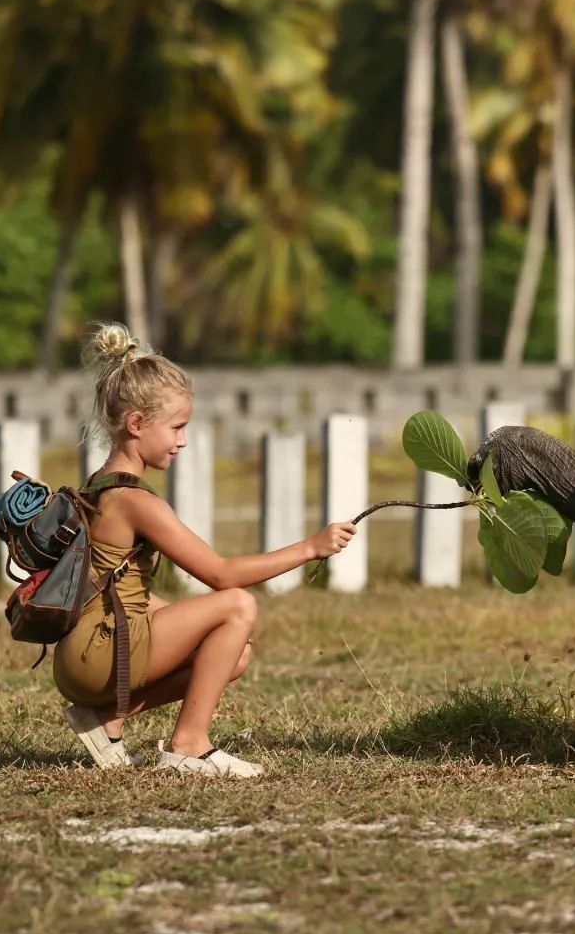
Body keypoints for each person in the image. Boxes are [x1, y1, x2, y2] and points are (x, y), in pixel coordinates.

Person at [53, 322, 356, 777]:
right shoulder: (135, 501)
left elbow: (120, 587)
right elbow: (221, 574)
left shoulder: (100, 484)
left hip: (83, 653)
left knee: (233, 653)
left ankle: (106, 719)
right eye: (176, 427)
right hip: (98, 654)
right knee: (237, 606)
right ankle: (188, 746)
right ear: (136, 424)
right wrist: (310, 547)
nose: (183, 440)